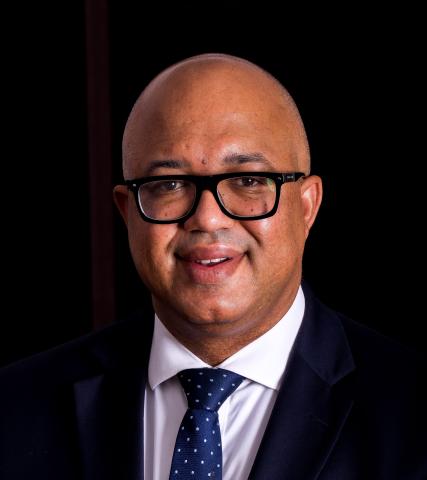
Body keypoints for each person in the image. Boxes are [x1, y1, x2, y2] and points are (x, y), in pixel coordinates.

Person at [0, 54, 425, 480]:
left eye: (248, 180)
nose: (207, 218)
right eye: (168, 184)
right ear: (128, 212)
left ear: (307, 205)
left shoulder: (411, 409)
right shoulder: (15, 408)